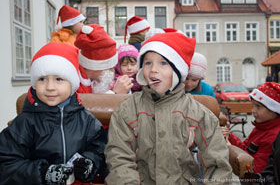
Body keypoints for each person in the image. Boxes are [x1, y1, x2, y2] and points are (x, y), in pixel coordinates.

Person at [105, 32, 232, 184]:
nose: (153, 70)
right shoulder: (128, 110)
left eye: (163, 63)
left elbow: (217, 162)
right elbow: (119, 157)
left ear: (178, 70)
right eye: (148, 63)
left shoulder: (197, 114)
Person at [0, 43, 107, 185]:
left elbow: (100, 150)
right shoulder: (24, 123)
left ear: (72, 84)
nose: (50, 87)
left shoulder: (86, 121)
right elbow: (6, 165)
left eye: (59, 79)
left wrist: (89, 163)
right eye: (42, 79)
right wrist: (43, 173)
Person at [222, 82, 280, 173]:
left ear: (274, 110)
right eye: (253, 105)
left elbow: (255, 170)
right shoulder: (261, 127)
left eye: (258, 106)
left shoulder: (274, 136)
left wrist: (231, 150)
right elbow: (245, 148)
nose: (253, 110)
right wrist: (229, 136)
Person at [74, 24, 133, 95]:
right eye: (109, 68)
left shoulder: (94, 80)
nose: (112, 72)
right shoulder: (75, 85)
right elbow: (88, 105)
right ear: (94, 67)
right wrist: (115, 93)